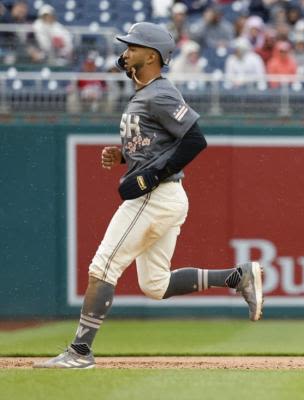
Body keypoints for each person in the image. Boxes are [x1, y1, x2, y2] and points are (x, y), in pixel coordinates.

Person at [34, 22, 263, 369]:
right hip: (165, 197)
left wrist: (151, 175)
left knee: (103, 266)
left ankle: (79, 351)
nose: (125, 53)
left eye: (132, 47)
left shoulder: (161, 92)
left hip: (155, 196)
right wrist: (125, 156)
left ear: (151, 56)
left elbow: (195, 140)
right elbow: (160, 142)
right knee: (155, 285)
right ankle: (236, 276)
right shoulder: (143, 94)